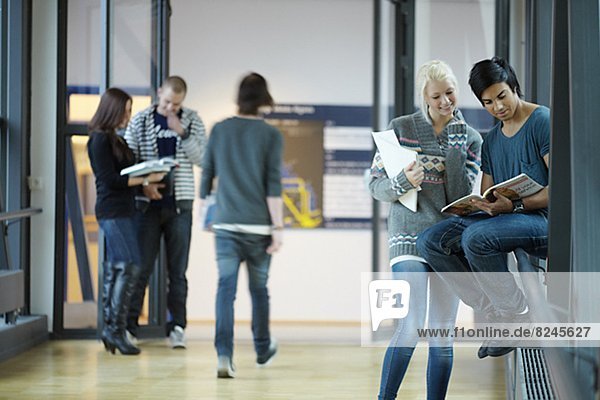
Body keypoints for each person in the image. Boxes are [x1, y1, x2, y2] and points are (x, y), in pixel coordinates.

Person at [417, 57, 550, 359]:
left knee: (477, 238)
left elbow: (559, 192)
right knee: (430, 241)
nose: (498, 107)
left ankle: (515, 314)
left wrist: (514, 204)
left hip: (542, 221)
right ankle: (495, 312)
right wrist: (480, 205)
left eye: (502, 96)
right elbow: (487, 192)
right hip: (507, 216)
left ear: (514, 87)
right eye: (488, 102)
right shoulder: (492, 141)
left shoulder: (541, 121)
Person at [370, 60, 482, 400]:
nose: (446, 102)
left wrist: (455, 152)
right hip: (407, 237)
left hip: (447, 241)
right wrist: (403, 181)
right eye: (437, 96)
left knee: (442, 332)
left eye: (450, 93)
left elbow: (461, 198)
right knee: (410, 324)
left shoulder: (471, 137)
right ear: (425, 96)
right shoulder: (400, 128)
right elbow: (376, 188)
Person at [200, 72, 283, 379]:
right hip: (259, 229)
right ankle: (262, 348)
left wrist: (206, 215)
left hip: (225, 226)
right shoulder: (271, 135)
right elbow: (273, 186)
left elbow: (207, 173)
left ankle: (224, 355)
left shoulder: (219, 129)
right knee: (259, 290)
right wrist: (278, 229)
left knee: (225, 290)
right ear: (264, 98)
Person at [124, 76, 207, 348]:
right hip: (147, 206)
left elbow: (203, 159)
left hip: (180, 206)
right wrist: (145, 184)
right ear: (160, 93)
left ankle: (177, 329)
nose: (171, 107)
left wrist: (181, 131)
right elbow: (129, 159)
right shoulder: (141, 120)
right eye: (168, 101)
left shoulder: (192, 120)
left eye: (177, 103)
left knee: (178, 272)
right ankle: (129, 328)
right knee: (140, 269)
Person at [87, 88, 165, 355]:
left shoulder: (115, 140)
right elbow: (111, 180)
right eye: (126, 110)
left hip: (126, 209)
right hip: (113, 212)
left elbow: (126, 173)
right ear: (113, 110)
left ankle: (111, 331)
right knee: (130, 265)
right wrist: (144, 180)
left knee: (117, 268)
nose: (128, 115)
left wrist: (146, 182)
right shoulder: (98, 140)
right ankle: (116, 330)